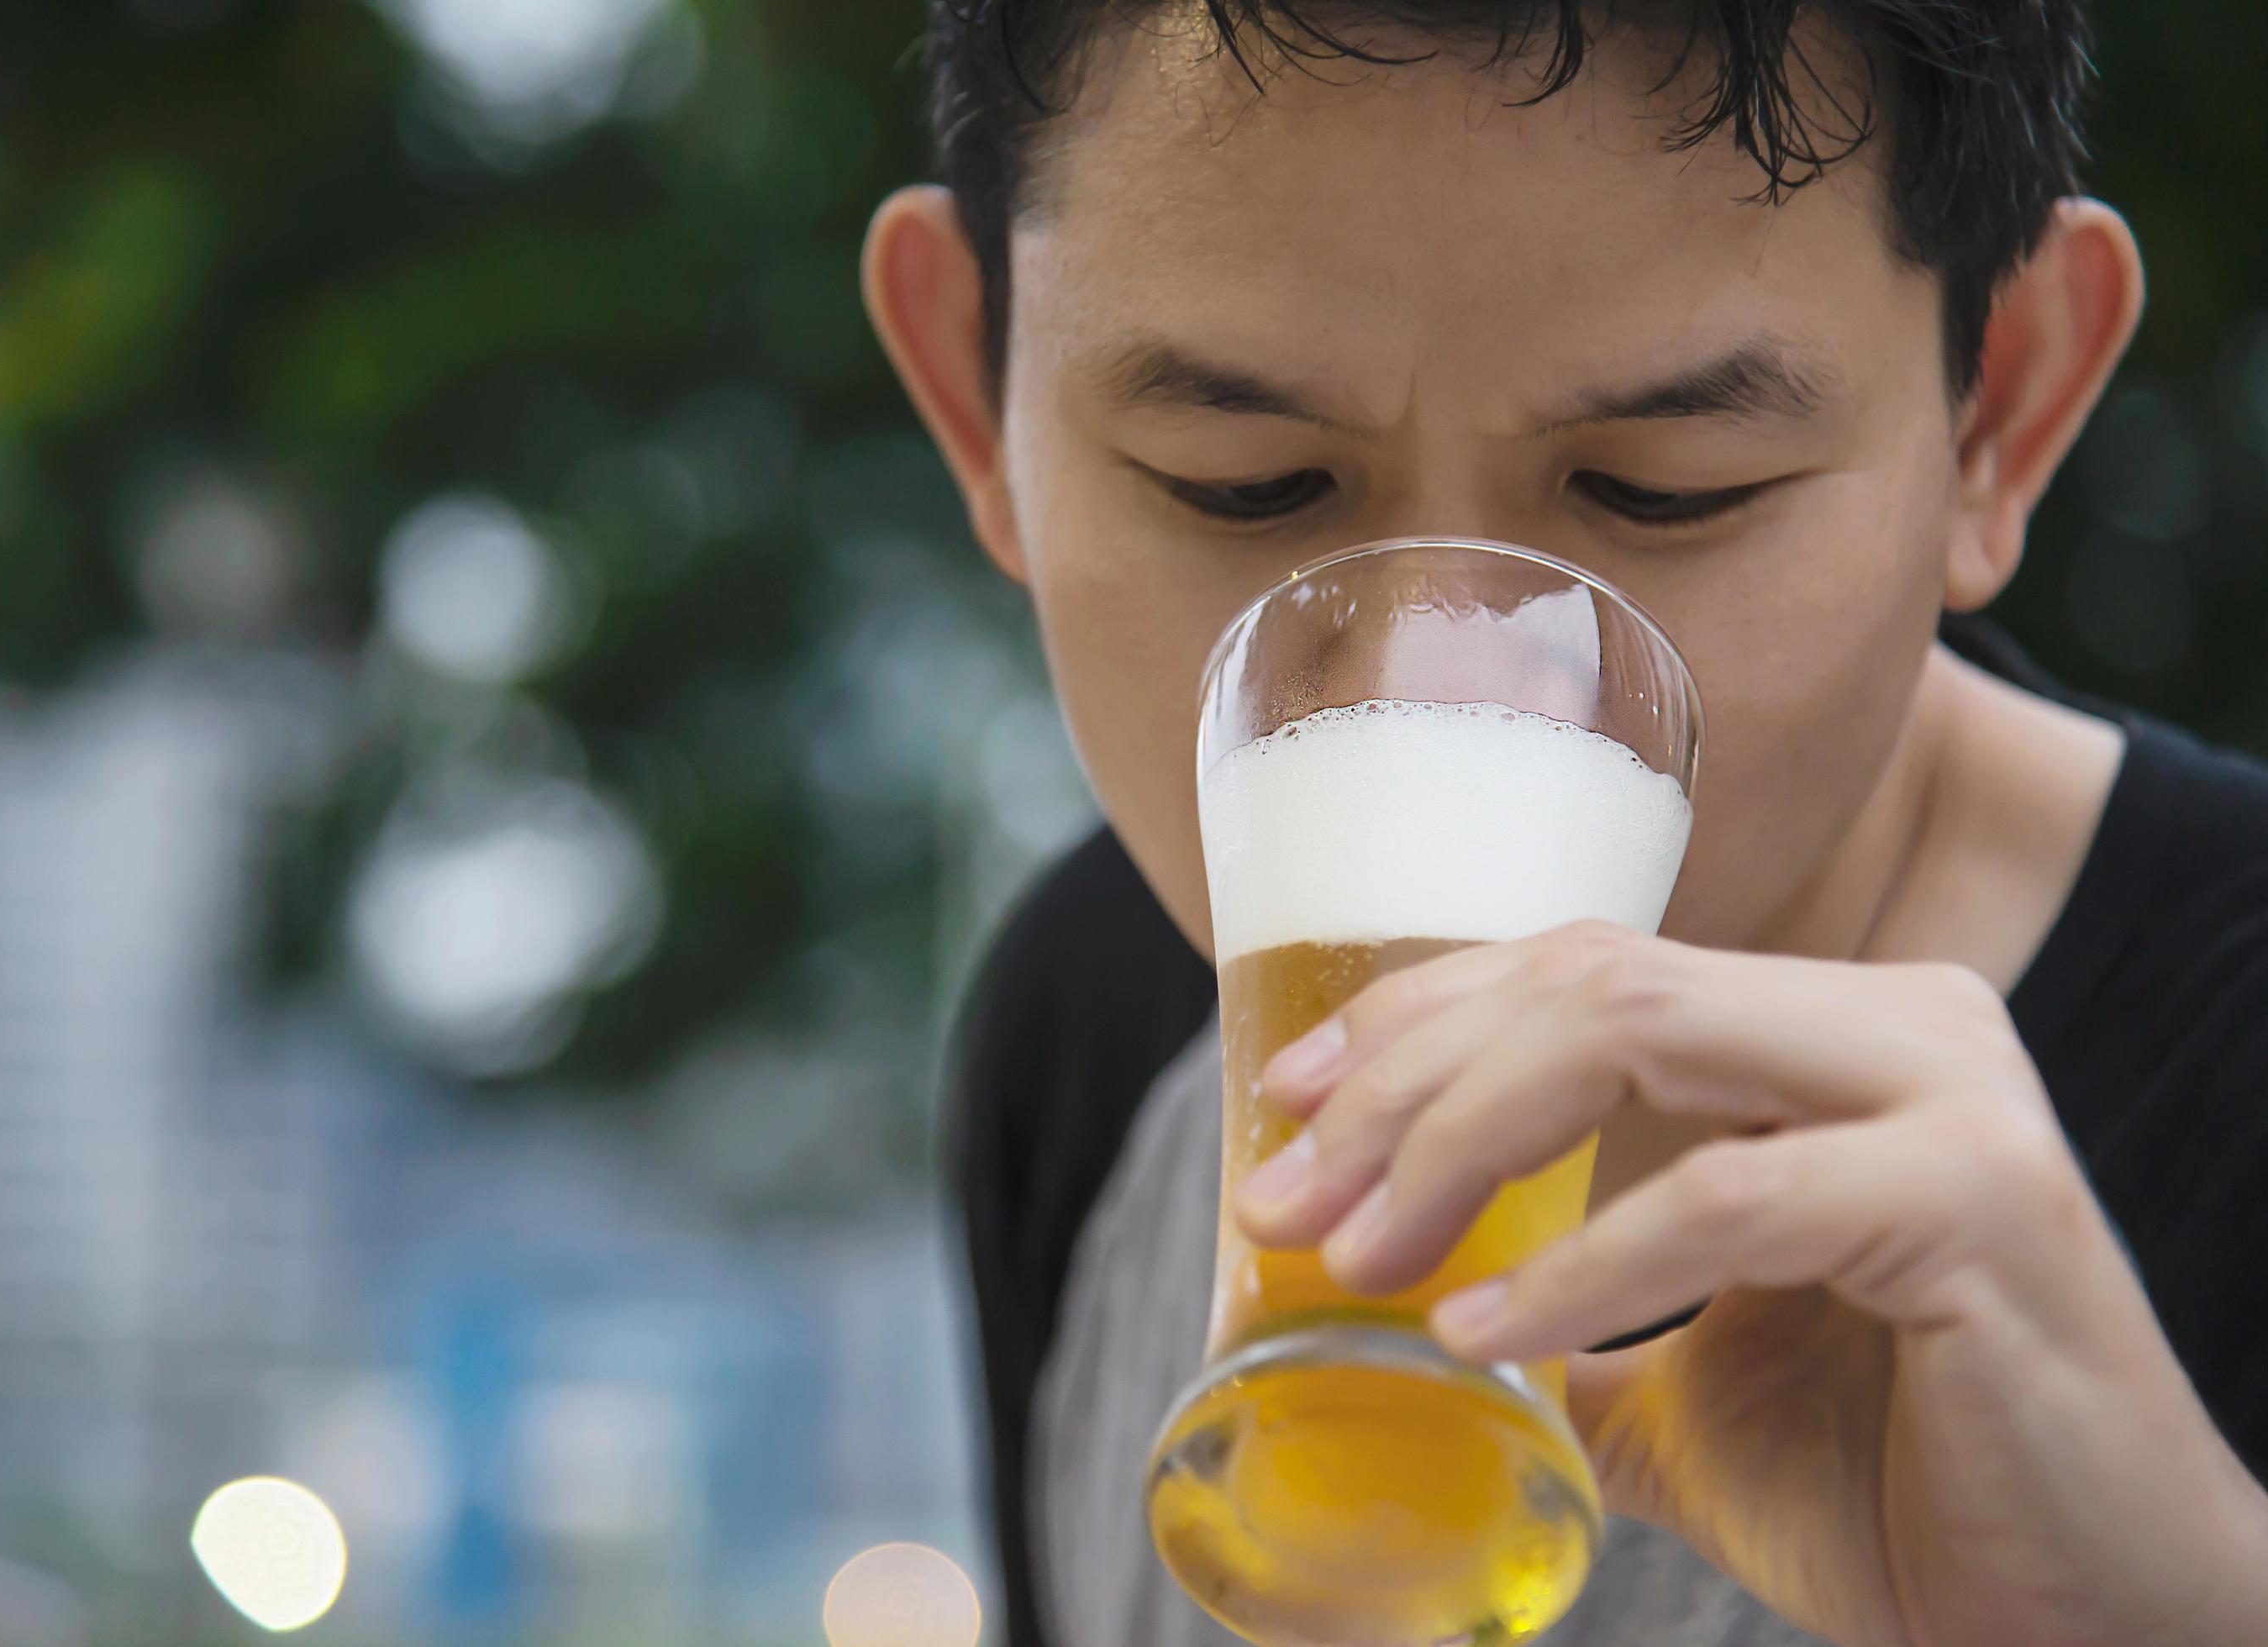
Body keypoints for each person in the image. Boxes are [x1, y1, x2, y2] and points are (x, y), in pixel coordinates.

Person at [859, 3, 2268, 1643]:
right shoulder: (1099, 1016)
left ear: (1995, 410)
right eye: (1240, 480)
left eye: (1660, 492)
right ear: (977, 389)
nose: (1435, 698)